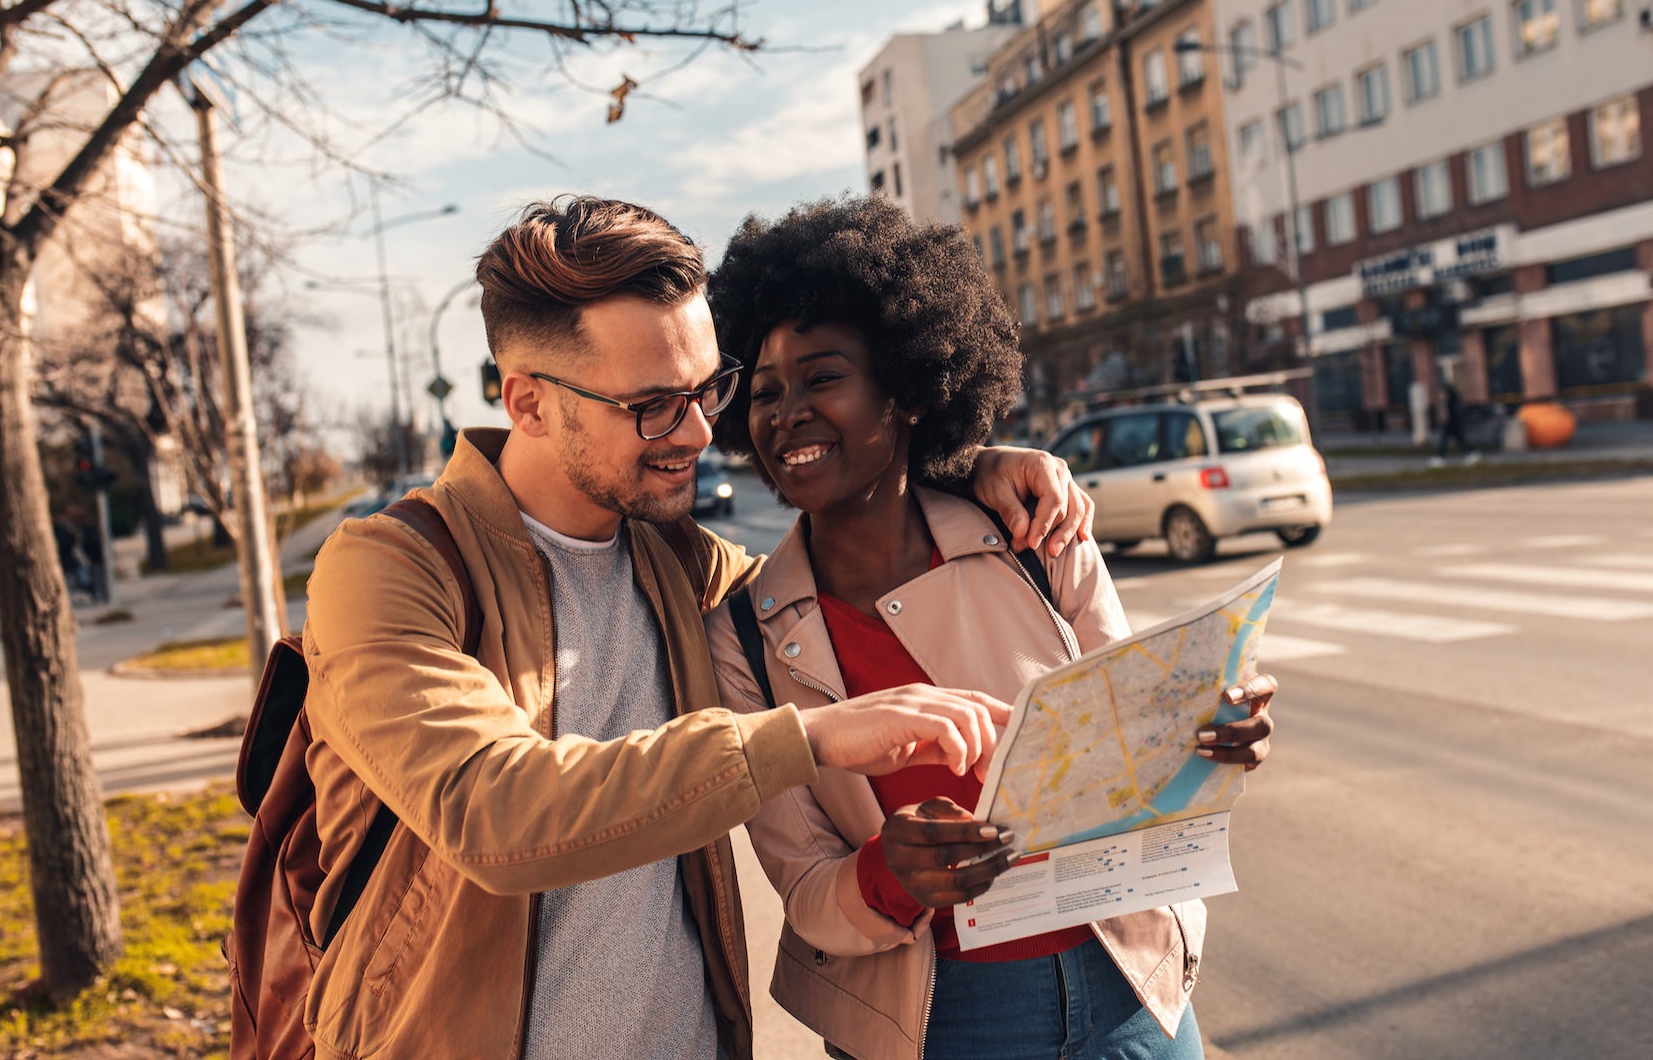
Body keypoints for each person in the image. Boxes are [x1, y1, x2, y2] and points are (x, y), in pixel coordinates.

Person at [296, 195, 1098, 1059]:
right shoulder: (390, 567)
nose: (700, 431)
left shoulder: (680, 561)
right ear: (528, 403)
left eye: (707, 388)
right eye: (652, 404)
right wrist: (810, 738)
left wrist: (960, 465)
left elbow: (845, 549)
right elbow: (492, 809)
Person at [704, 196, 1278, 1060]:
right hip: (938, 1020)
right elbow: (806, 888)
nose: (787, 412)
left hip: (1127, 983)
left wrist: (1213, 735)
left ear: (906, 391)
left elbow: (1139, 750)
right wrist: (889, 874)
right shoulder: (744, 635)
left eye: (822, 378)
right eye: (765, 393)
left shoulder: (1036, 535)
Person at [1430, 376, 1480, 467]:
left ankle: (1440, 458)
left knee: (1455, 441)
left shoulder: (1451, 401)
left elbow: (1453, 413)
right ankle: (1471, 453)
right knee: (1457, 440)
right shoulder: (1449, 400)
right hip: (1451, 425)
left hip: (1453, 424)